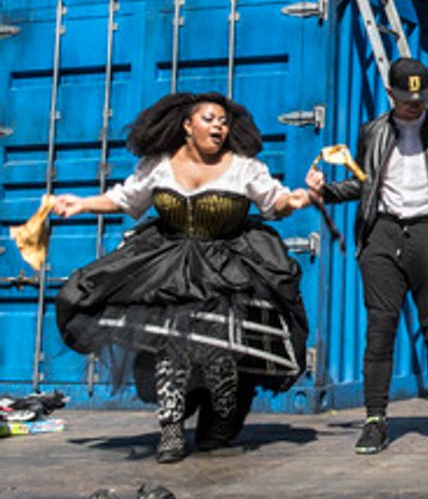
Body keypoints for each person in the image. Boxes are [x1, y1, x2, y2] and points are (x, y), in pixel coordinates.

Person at [53, 92, 313, 463]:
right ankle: (171, 428)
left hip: (225, 267)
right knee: (170, 347)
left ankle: (221, 417)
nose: (219, 126)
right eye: (209, 119)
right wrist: (81, 203)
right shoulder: (159, 165)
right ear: (188, 126)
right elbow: (126, 200)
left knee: (218, 354)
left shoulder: (242, 167)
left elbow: (275, 203)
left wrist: (294, 200)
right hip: (168, 264)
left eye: (223, 121)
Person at [307, 57, 428, 454]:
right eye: (406, 98)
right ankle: (375, 419)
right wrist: (324, 191)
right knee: (380, 330)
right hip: (383, 233)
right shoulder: (371, 132)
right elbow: (364, 186)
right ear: (390, 94)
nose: (414, 105)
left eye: (421, 98)